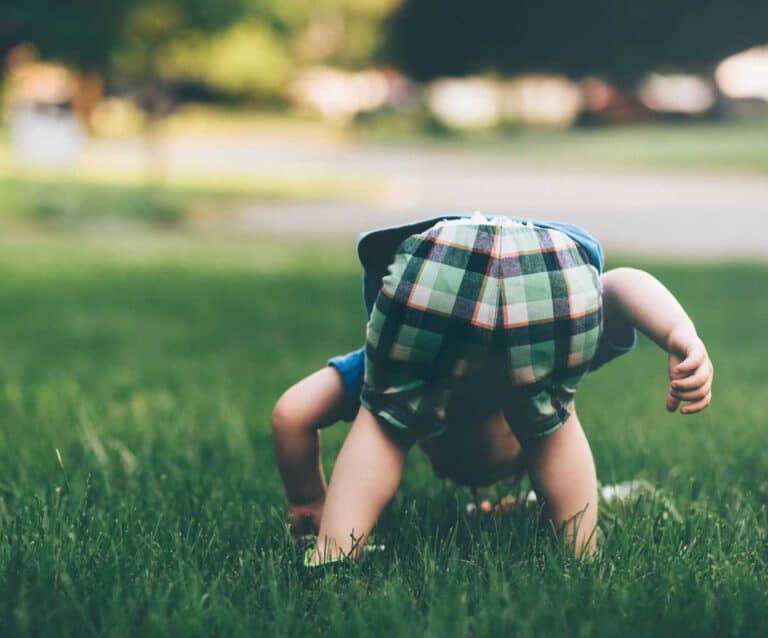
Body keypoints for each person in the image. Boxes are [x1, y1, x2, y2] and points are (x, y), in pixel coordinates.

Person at [271, 213, 714, 564]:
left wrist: (308, 497)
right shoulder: (538, 359)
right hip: (527, 260)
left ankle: (334, 551)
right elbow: (619, 285)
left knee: (387, 424)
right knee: (550, 422)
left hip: (453, 265)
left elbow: (291, 412)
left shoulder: (397, 366)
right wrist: (678, 332)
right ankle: (580, 557)